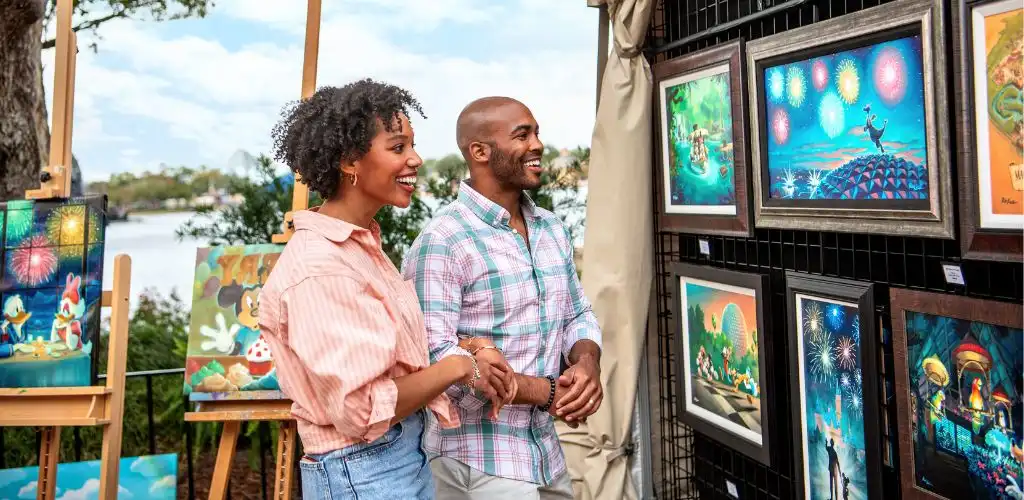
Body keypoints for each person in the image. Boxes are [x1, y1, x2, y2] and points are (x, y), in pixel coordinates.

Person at [258, 80, 514, 500]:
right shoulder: (323, 270)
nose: (415, 159)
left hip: (388, 462)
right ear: (348, 162)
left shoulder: (359, 247)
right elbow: (363, 410)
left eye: (411, 145)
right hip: (366, 471)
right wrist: (458, 367)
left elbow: (392, 356)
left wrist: (467, 347)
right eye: (397, 148)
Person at [402, 96, 603, 499]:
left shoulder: (551, 229)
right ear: (479, 152)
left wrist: (587, 363)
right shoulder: (443, 241)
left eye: (537, 133)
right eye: (522, 135)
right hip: (478, 463)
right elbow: (432, 358)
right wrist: (544, 392)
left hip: (546, 454)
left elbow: (577, 313)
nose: (537, 145)